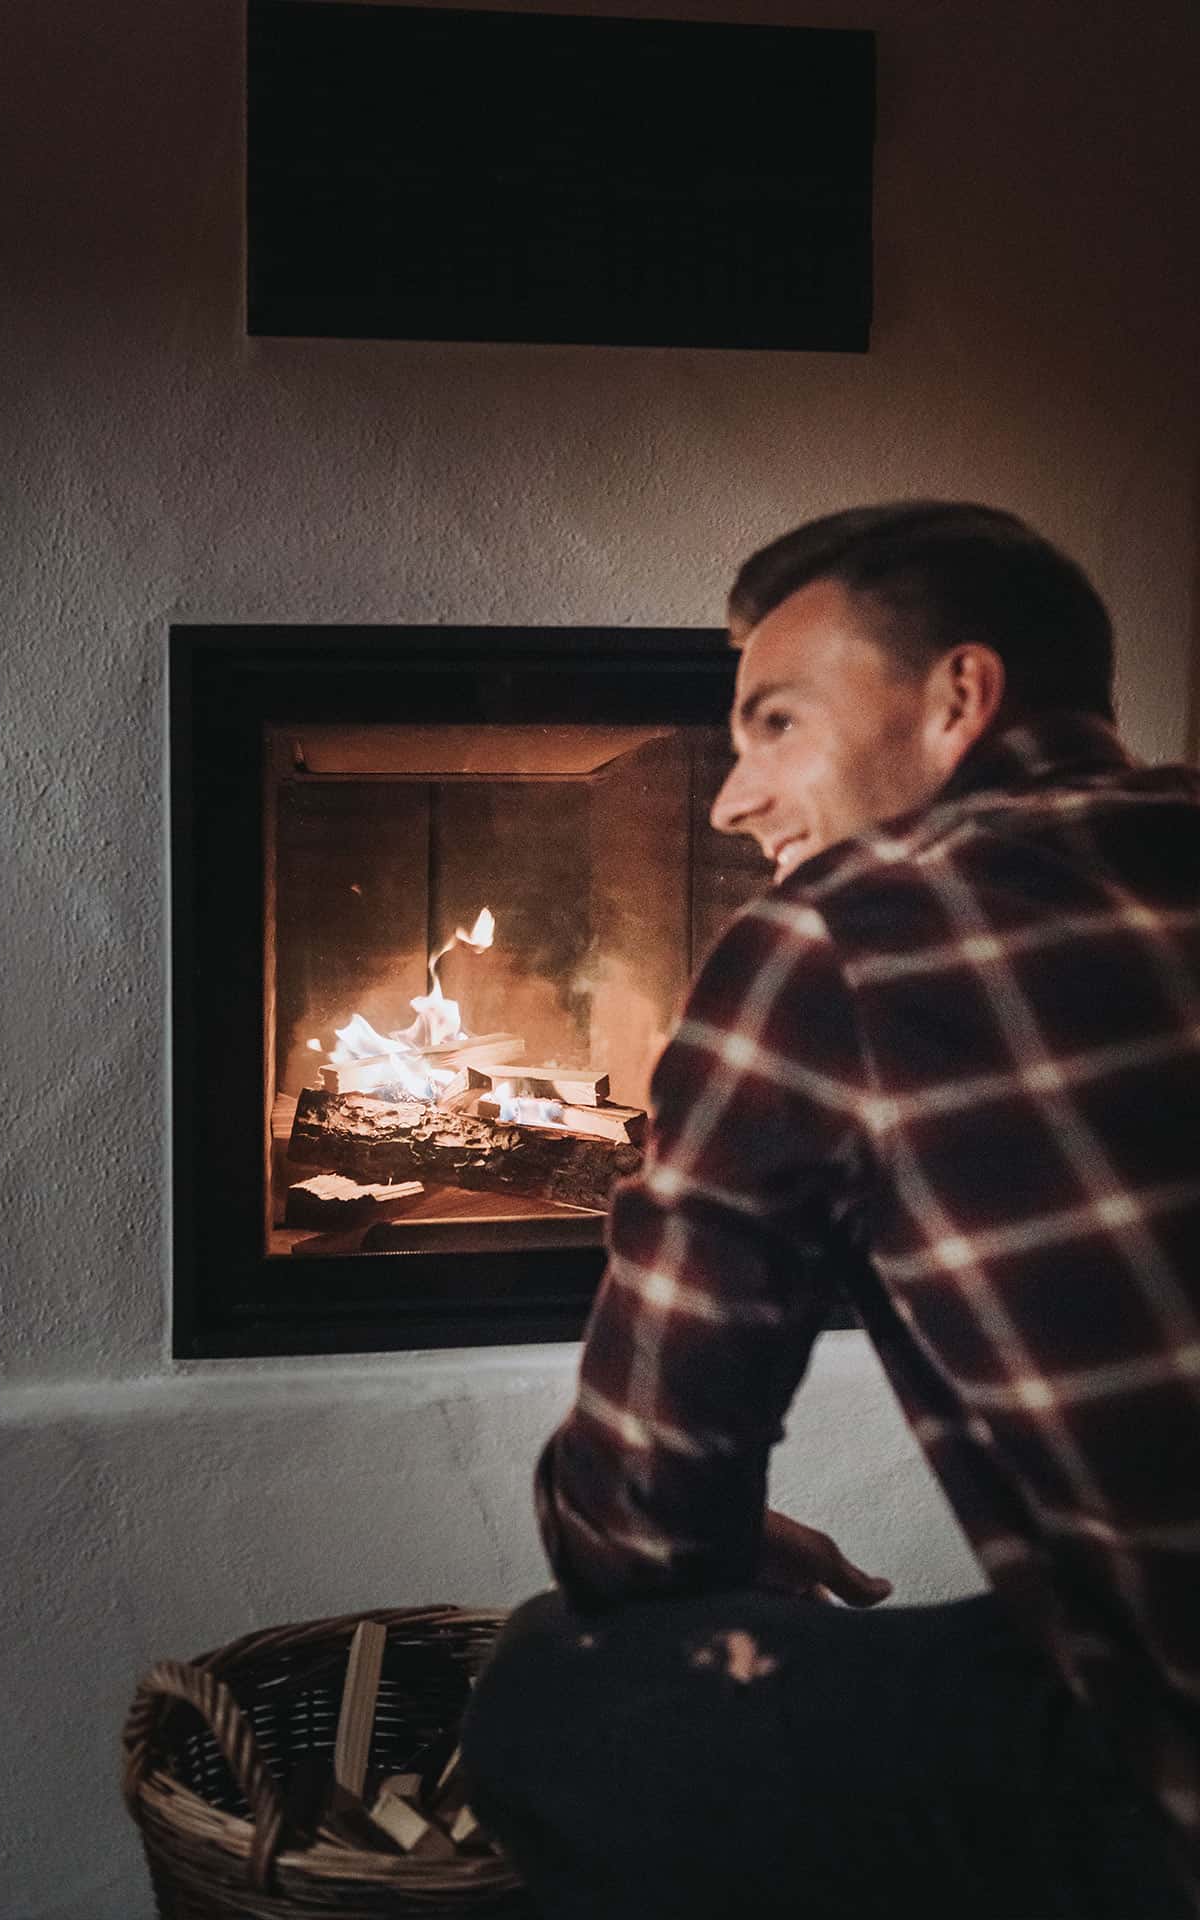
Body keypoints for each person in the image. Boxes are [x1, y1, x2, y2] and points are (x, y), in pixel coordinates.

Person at [461, 502, 1200, 1919]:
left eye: (777, 724)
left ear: (957, 701)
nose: (733, 799)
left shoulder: (842, 936)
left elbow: (635, 1534)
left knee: (556, 1686)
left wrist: (696, 1551)